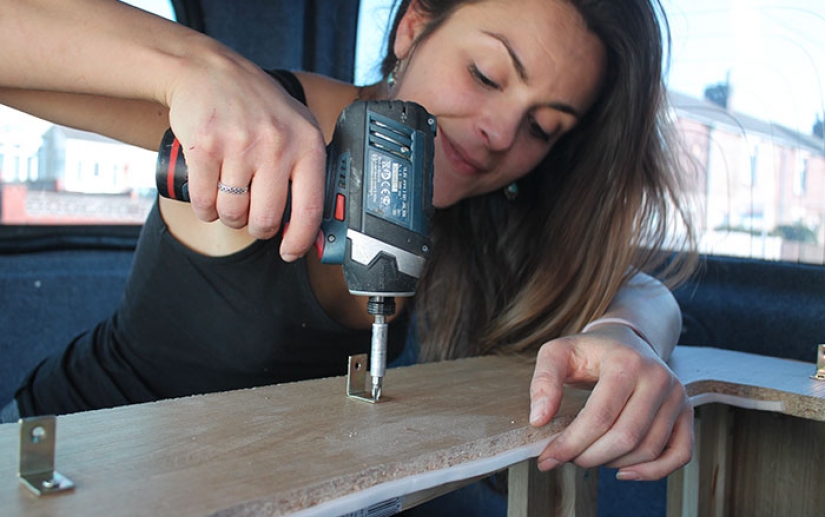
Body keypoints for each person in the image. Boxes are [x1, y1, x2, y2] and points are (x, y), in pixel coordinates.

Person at [0, 0, 697, 483]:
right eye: (485, 75)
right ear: (413, 26)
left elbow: (637, 289)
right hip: (66, 463)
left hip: (243, 501)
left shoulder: (484, 210)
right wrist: (193, 68)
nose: (499, 133)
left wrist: (626, 336)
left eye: (542, 126)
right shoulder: (261, 120)